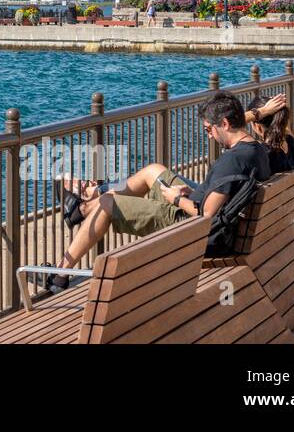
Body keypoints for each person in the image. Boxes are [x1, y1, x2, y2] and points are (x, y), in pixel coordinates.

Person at [47, 91, 271, 291]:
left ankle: (60, 273)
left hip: (195, 229)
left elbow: (207, 215)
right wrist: (188, 192)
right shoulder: (255, 150)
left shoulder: (231, 161)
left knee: (107, 204)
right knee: (153, 171)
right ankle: (84, 207)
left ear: (224, 123)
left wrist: (176, 199)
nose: (209, 136)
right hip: (215, 220)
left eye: (208, 130)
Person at [246, 93, 294, 173]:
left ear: (257, 126)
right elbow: (283, 125)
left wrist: (263, 111)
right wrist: (278, 108)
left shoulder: (260, 154)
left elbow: (226, 124)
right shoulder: (290, 144)